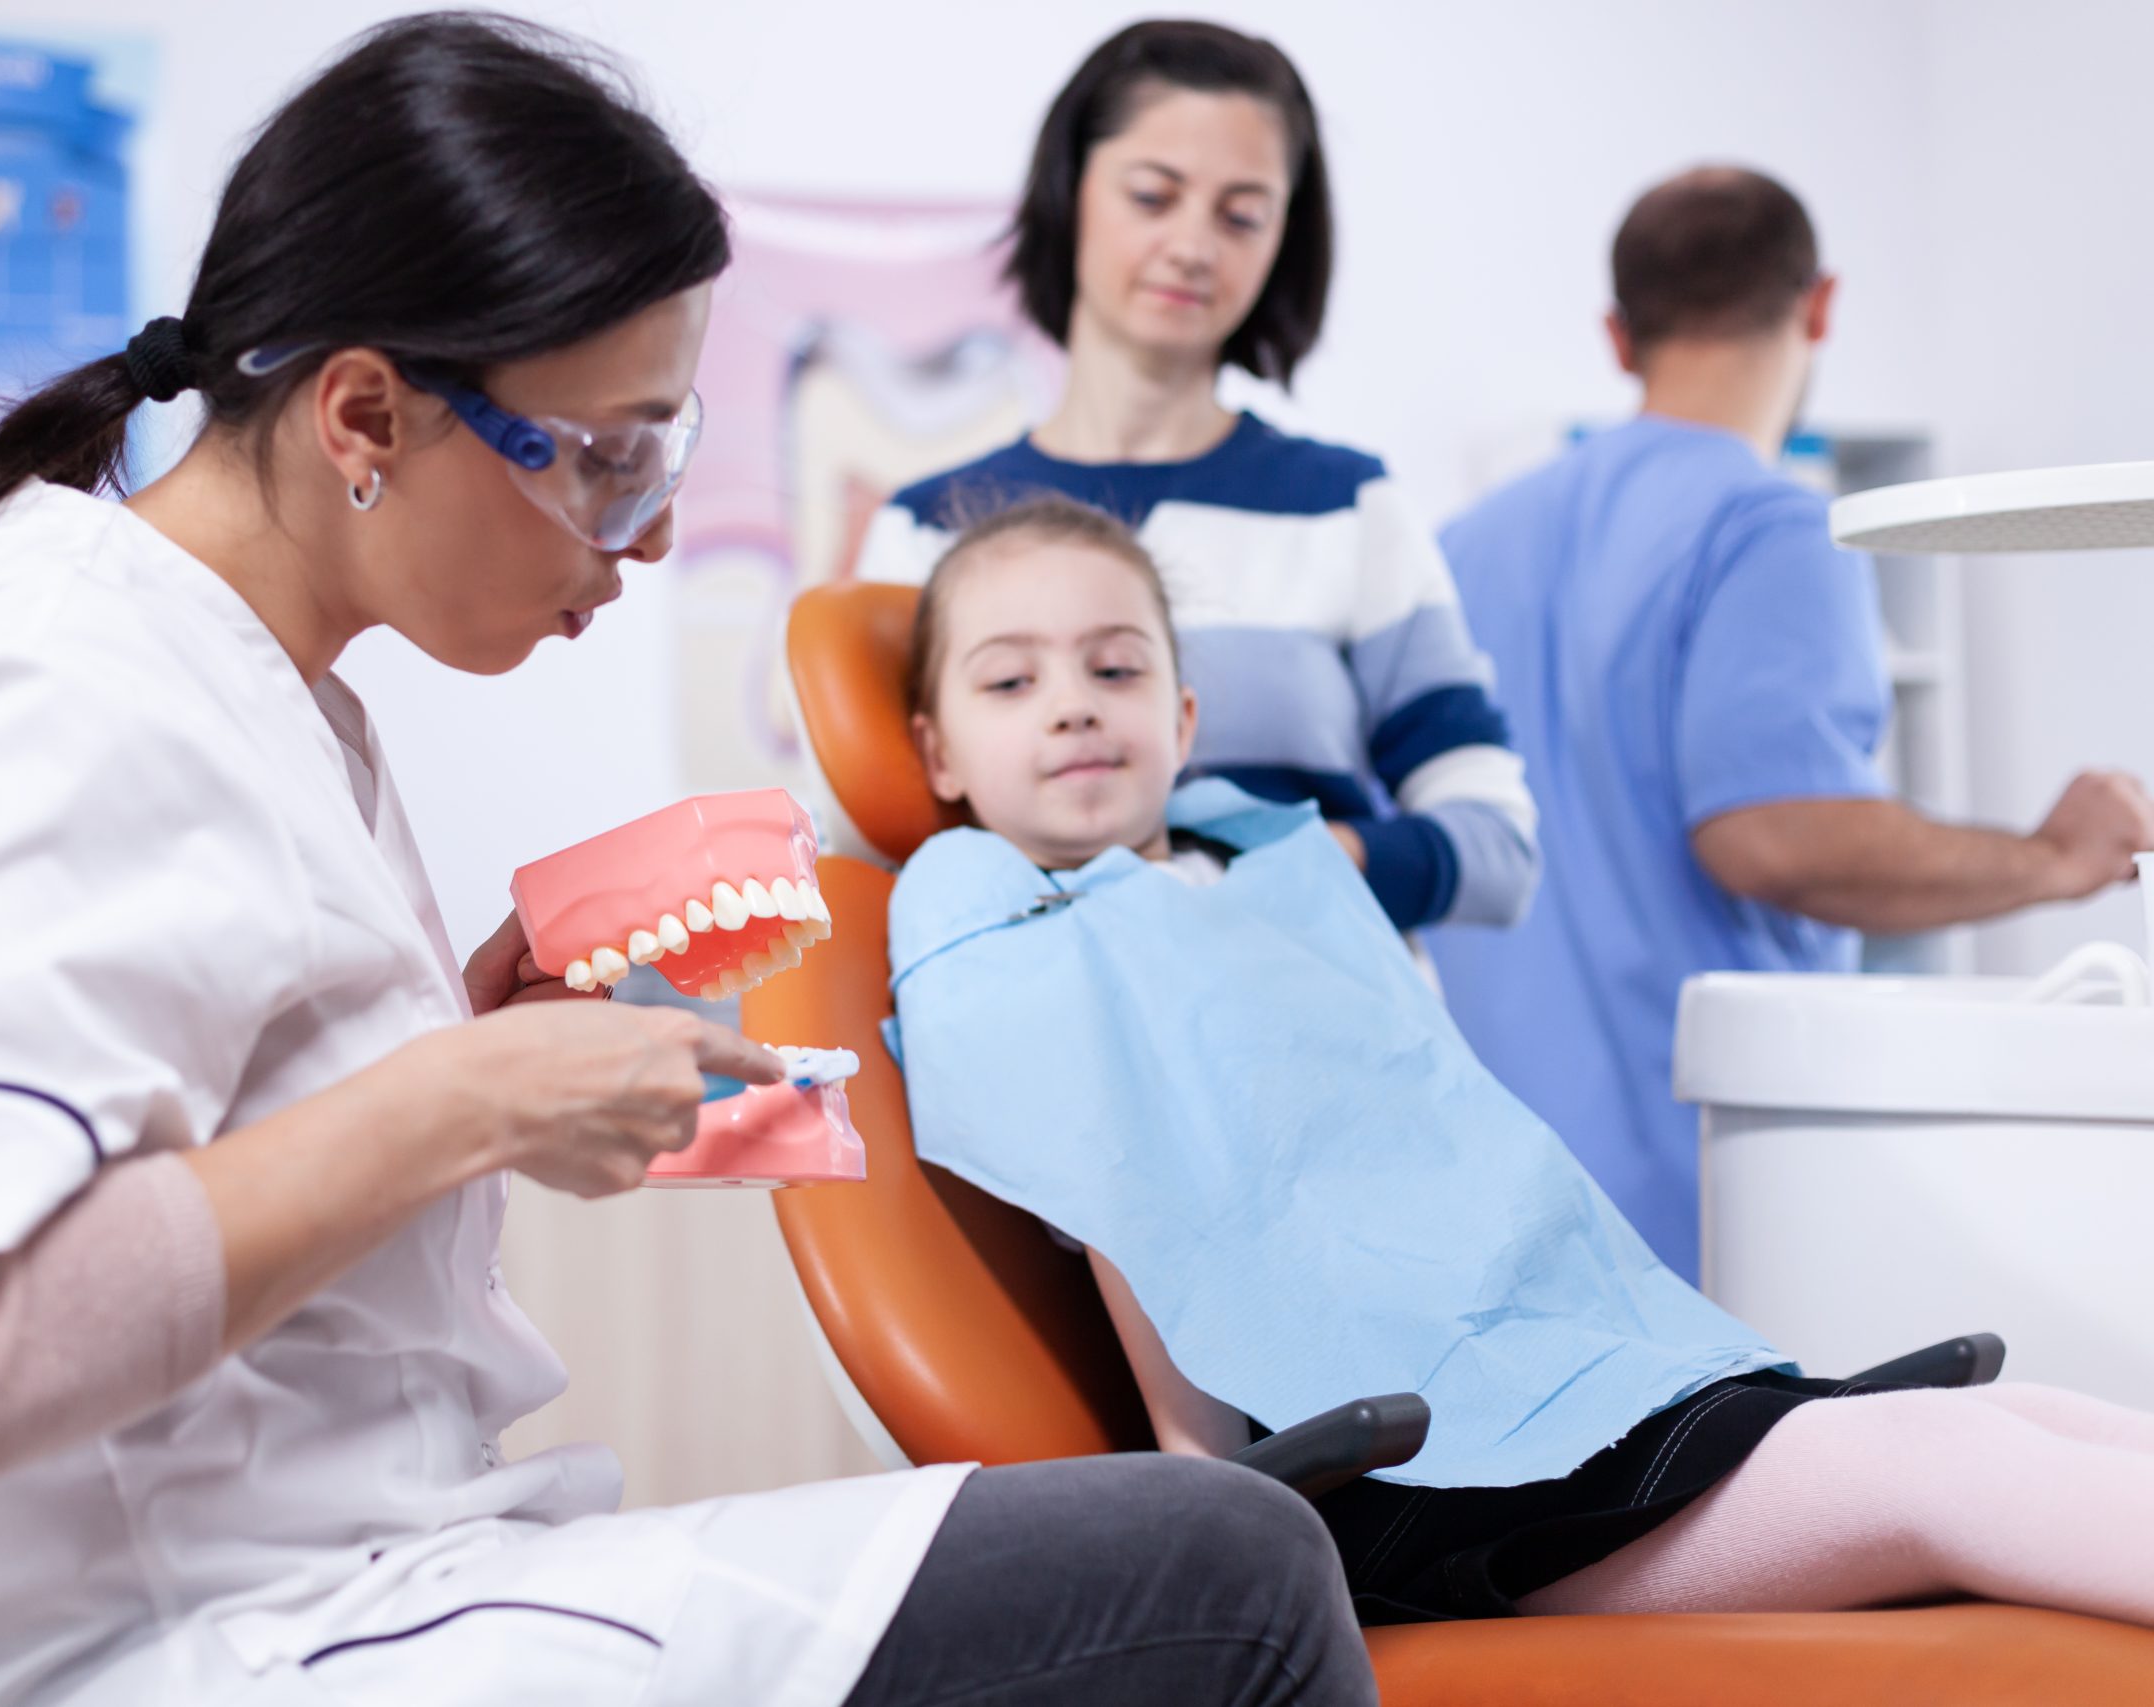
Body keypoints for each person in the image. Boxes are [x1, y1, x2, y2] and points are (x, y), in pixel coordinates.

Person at [0, 19, 1375, 1707]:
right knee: (1229, 1574)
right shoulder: (43, 690)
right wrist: (467, 1098)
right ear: (364, 411)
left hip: (356, 1581)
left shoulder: (260, 692)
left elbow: (197, 1146)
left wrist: (449, 1053)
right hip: (182, 1646)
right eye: (606, 456)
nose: (652, 533)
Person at [884, 493, 2154, 1627]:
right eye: (1008, 684)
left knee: (2029, 1417)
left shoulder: (1258, 884)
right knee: (1940, 1465)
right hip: (1406, 1471)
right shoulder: (1011, 933)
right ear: (936, 750)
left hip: (1559, 1387)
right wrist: (1216, 1499)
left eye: (1114, 667)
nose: (1070, 703)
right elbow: (1131, 1201)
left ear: (1185, 713)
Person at [1425, 166, 2154, 1278]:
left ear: (1618, 337)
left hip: (1490, 1221)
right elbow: (1773, 837)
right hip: (1700, 1224)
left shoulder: (1464, 546)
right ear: (1818, 306)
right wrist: (2057, 857)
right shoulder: (1771, 526)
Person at [847, 20, 1536, 937]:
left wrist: (1269, 879)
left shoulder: (1346, 508)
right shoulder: (924, 530)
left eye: (1241, 214)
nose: (1193, 245)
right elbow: (857, 860)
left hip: (1317, 1038)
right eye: (1153, 195)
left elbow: (1498, 850)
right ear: (1071, 194)